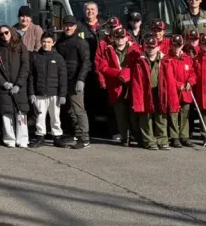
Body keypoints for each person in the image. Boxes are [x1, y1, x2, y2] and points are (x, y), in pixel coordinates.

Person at [127, 35, 174, 150]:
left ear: (158, 48)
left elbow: (170, 79)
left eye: (153, 47)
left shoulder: (165, 60)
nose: (151, 50)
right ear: (145, 48)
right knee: (146, 117)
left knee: (161, 117)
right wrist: (137, 99)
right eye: (148, 47)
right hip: (145, 93)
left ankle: (162, 140)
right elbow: (136, 82)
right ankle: (149, 141)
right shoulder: (140, 62)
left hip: (160, 92)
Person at [56, 16, 92, 149]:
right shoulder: (60, 42)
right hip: (63, 81)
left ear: (75, 27)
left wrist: (81, 79)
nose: (68, 27)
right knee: (70, 110)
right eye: (66, 25)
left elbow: (86, 62)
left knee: (79, 110)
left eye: (71, 25)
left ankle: (85, 138)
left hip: (75, 81)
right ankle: (76, 135)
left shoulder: (80, 42)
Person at [28, 31, 68, 148]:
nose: (46, 44)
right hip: (39, 93)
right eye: (44, 42)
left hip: (54, 93)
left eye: (49, 42)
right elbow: (31, 76)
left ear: (53, 43)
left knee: (55, 116)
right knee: (40, 116)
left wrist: (62, 95)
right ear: (41, 42)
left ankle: (57, 136)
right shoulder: (35, 57)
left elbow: (63, 78)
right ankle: (40, 136)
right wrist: (31, 93)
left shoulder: (58, 58)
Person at [97, 28, 134, 145]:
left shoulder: (134, 49)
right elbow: (103, 67)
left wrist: (126, 73)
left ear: (127, 37)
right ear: (113, 39)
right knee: (120, 114)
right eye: (117, 38)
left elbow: (138, 64)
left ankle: (135, 136)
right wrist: (118, 74)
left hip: (132, 85)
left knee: (134, 113)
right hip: (116, 85)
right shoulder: (108, 51)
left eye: (122, 37)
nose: (120, 40)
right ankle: (125, 138)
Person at [0, 26, 30, 148]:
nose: (4, 35)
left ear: (11, 32)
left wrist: (19, 84)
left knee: (20, 113)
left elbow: (25, 66)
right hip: (4, 87)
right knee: (6, 113)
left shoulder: (20, 47)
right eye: (1, 34)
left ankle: (22, 139)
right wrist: (3, 83)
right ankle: (9, 138)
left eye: (6, 32)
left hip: (19, 86)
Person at [162, 35, 196, 148]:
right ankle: (174, 137)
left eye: (179, 45)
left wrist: (190, 82)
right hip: (173, 90)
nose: (176, 47)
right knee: (173, 114)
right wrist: (178, 85)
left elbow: (192, 72)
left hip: (186, 91)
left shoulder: (187, 58)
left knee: (185, 114)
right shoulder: (167, 59)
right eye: (174, 45)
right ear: (170, 45)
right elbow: (168, 76)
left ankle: (184, 136)